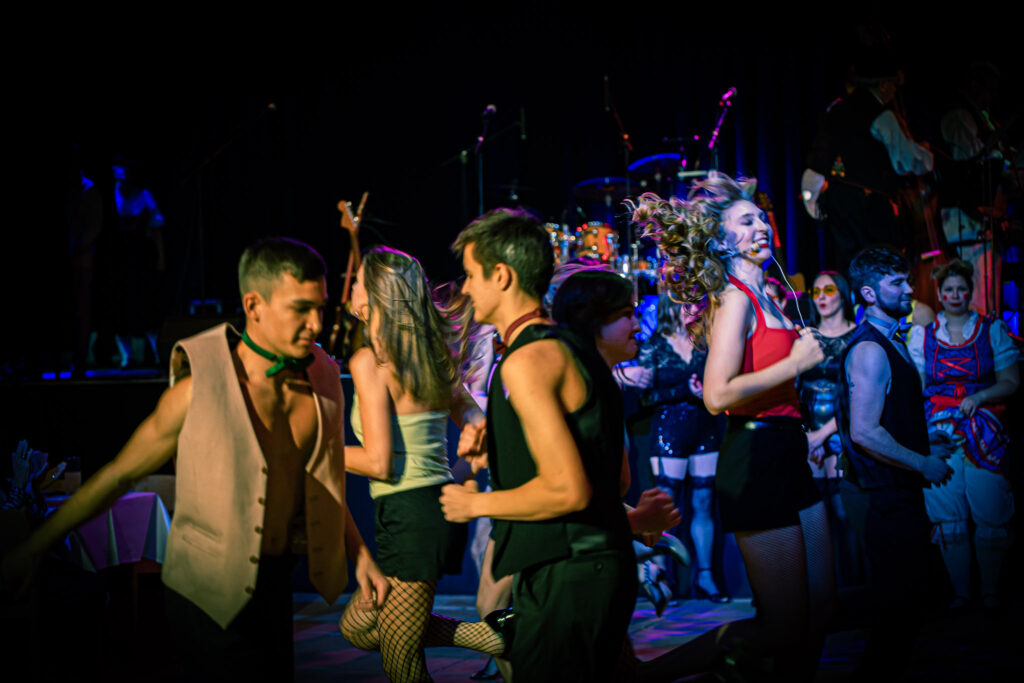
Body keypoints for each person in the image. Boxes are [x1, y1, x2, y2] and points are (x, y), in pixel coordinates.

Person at [2, 237, 389, 681]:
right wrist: (33, 549)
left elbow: (322, 478)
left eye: (320, 308)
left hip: (274, 587)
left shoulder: (323, 376)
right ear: (254, 305)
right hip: (205, 596)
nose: (316, 324)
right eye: (301, 309)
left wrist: (360, 555)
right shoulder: (197, 388)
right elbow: (119, 475)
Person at [630, 171, 834, 682]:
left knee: (819, 609)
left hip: (788, 451)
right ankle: (650, 676)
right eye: (746, 222)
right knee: (783, 624)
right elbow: (717, 394)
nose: (761, 226)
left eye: (762, 218)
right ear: (722, 240)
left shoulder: (770, 297)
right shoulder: (736, 297)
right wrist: (795, 363)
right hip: (756, 458)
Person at [438, 208, 637, 681]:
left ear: (501, 276)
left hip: (569, 570)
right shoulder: (568, 347)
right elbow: (611, 476)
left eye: (471, 275)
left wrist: (474, 504)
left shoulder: (527, 360)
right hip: (584, 568)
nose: (465, 289)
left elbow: (569, 489)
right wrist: (500, 449)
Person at [336, 246, 497, 682]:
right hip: (424, 512)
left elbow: (378, 462)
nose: (349, 288)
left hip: (410, 515)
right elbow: (476, 422)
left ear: (374, 295)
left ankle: (494, 635)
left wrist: (312, 454)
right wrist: (461, 451)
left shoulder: (370, 361)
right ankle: (489, 635)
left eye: (356, 282)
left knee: (401, 666)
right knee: (358, 627)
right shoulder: (430, 356)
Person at [837, 246, 954, 679]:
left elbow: (886, 419)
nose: (909, 289)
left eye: (907, 280)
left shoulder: (891, 340)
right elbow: (865, 432)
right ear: (869, 293)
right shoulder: (870, 349)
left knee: (909, 606)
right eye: (897, 283)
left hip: (894, 489)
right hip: (879, 495)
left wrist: (925, 442)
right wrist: (922, 463)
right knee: (899, 610)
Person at [908, 259, 1018, 612]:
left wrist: (980, 397)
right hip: (939, 425)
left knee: (989, 502)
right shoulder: (923, 334)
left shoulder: (991, 329)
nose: (955, 295)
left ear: (970, 292)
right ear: (939, 295)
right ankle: (960, 593)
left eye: (961, 289)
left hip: (984, 424)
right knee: (946, 507)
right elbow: (918, 386)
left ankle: (990, 591)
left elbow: (1011, 381)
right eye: (949, 290)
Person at [802, 48, 934, 272]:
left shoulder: (835, 110)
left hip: (838, 202)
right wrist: (926, 154)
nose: (895, 91)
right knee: (879, 263)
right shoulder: (882, 115)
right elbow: (906, 161)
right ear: (883, 85)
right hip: (870, 206)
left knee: (850, 265)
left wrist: (813, 201)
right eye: (893, 85)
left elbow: (818, 161)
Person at [635, 293, 728, 604]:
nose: (693, 309)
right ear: (670, 307)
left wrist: (705, 391)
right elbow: (645, 398)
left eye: (695, 303)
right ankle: (662, 575)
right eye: (685, 304)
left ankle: (706, 576)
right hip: (669, 430)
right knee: (667, 506)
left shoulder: (706, 343)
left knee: (704, 502)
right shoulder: (654, 345)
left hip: (705, 428)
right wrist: (682, 390)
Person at [799, 271, 863, 588]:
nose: (821, 297)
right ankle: (822, 593)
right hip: (807, 434)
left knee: (845, 515)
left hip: (843, 433)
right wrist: (805, 435)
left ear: (844, 294)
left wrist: (821, 435)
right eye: (816, 291)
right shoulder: (805, 338)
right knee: (815, 520)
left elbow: (857, 397)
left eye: (828, 290)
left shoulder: (858, 336)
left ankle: (856, 590)